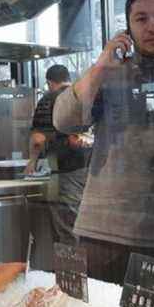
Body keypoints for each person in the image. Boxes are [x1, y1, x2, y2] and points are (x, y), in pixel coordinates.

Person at [53, 0, 154, 284]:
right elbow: (64, 121)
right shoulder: (107, 77)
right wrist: (100, 68)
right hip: (102, 231)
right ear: (128, 29)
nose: (153, 26)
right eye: (141, 19)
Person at [26, 64, 91, 246]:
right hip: (91, 172)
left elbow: (38, 139)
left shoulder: (49, 100)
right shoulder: (82, 97)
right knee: (85, 228)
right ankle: (89, 273)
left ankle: (72, 273)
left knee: (68, 231)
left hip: (65, 173)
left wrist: (32, 162)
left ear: (49, 82)